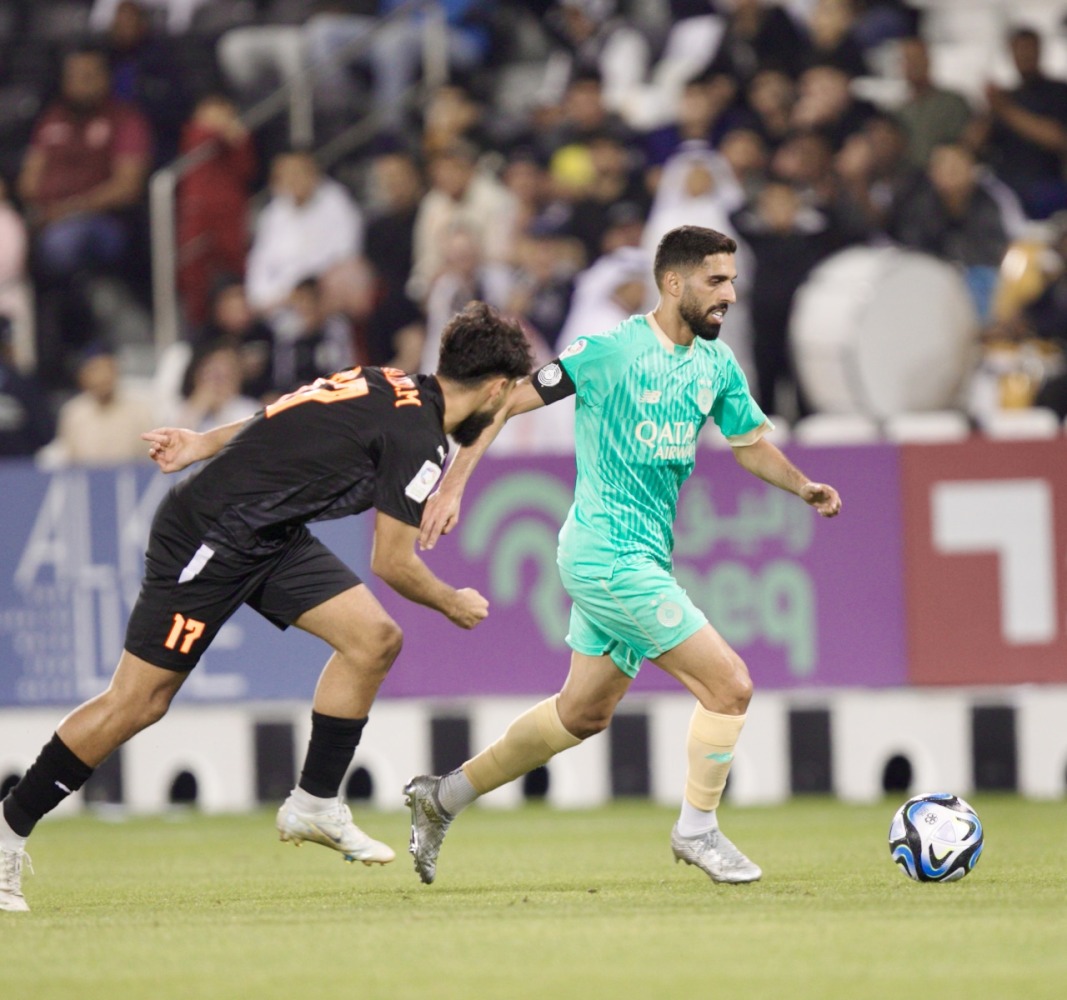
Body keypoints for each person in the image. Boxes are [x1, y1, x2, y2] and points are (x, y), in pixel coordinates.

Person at [0, 302, 533, 913]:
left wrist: (205, 442)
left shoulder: (387, 380)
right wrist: (450, 601)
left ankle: (315, 804)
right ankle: (8, 828)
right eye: (509, 395)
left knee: (374, 639)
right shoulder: (420, 441)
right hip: (209, 535)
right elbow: (392, 562)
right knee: (139, 701)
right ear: (496, 388)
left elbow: (282, 412)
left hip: (268, 534)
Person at [403, 226, 842, 886]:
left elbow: (748, 443)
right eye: (715, 281)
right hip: (603, 554)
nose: (729, 293)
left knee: (582, 713)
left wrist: (801, 486)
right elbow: (505, 401)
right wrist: (455, 482)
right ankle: (697, 830)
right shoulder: (610, 350)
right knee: (729, 685)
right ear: (674, 283)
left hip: (643, 558)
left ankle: (440, 799)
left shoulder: (715, 366)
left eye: (730, 280)